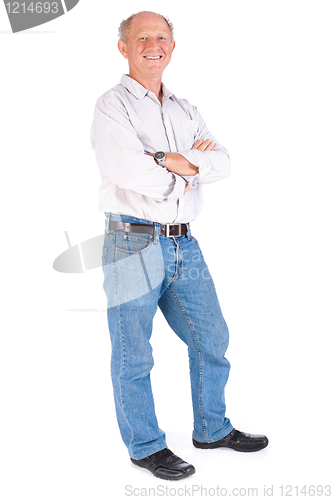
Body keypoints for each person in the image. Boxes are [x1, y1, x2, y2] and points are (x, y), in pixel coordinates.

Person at [91, 11, 268, 480]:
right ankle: (145, 446)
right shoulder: (113, 106)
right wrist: (188, 171)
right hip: (132, 242)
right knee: (134, 353)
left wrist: (169, 161)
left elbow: (224, 162)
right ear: (124, 48)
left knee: (212, 338)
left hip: (184, 245)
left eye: (162, 37)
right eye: (142, 37)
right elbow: (127, 171)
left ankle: (212, 428)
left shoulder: (186, 109)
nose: (154, 45)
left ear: (173, 46)